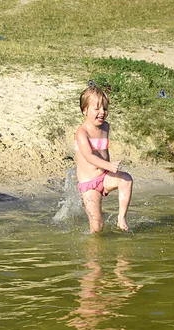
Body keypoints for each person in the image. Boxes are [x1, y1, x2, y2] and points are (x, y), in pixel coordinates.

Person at [74, 85, 133, 233]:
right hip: (90, 184)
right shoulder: (82, 133)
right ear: (84, 110)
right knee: (97, 226)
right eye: (97, 108)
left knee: (126, 179)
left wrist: (108, 168)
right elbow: (89, 156)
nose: (102, 112)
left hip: (104, 177)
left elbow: (103, 150)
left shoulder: (105, 127)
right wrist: (108, 165)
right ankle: (93, 254)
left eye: (105, 109)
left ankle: (121, 218)